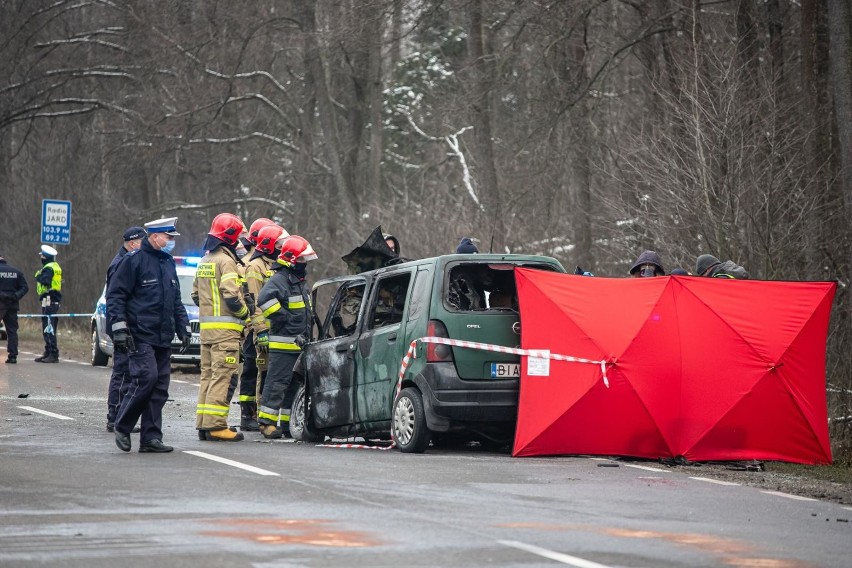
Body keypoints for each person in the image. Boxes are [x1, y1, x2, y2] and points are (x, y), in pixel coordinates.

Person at [107, 217, 191, 453]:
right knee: (146, 378)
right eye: (168, 237)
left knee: (160, 387)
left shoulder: (167, 263)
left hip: (162, 336)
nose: (171, 241)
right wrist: (120, 328)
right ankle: (122, 425)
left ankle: (150, 438)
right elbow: (116, 296)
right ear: (154, 237)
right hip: (139, 334)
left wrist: (182, 327)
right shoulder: (133, 261)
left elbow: (175, 300)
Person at [192, 213, 251, 442]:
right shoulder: (226, 261)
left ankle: (204, 425)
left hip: (207, 332)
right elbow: (231, 295)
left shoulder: (205, 260)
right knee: (223, 377)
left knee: (207, 376)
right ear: (231, 237)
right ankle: (216, 426)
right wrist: (244, 314)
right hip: (226, 333)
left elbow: (196, 295)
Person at [256, 235, 316, 439]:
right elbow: (263, 299)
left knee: (293, 386)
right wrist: (285, 318)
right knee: (276, 383)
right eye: (301, 260)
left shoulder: (298, 281)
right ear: (290, 260)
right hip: (283, 345)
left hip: (298, 346)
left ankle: (285, 423)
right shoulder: (280, 279)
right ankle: (266, 423)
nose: (304, 264)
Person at [239, 222, 287, 431]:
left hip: (274, 328)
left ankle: (259, 413)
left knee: (267, 371)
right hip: (257, 329)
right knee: (255, 371)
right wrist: (260, 331)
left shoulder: (275, 265)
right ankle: (250, 413)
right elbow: (254, 301)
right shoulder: (254, 266)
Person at [105, 226, 146, 432]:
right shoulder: (121, 263)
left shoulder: (127, 260)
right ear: (132, 243)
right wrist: (120, 327)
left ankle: (120, 415)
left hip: (127, 324)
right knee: (122, 371)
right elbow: (115, 298)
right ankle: (114, 416)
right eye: (142, 241)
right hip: (122, 326)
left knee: (127, 371)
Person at [34, 245, 62, 363]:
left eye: (42, 256)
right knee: (48, 327)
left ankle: (53, 353)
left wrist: (38, 276)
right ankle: (48, 351)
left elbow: (45, 281)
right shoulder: (55, 266)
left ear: (45, 257)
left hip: (49, 300)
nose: (41, 258)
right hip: (52, 299)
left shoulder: (48, 268)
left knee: (48, 328)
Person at [0, 252, 29, 364]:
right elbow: (25, 287)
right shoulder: (16, 271)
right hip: (12, 304)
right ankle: (13, 356)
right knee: (12, 331)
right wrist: (16, 295)